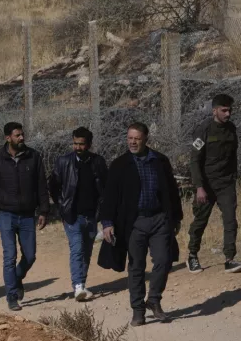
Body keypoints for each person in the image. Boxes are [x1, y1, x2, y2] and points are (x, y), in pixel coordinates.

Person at [100, 123, 183, 326]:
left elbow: (171, 191)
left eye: (136, 138)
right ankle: (138, 310)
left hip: (159, 219)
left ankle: (154, 300)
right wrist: (107, 222)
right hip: (134, 222)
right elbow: (110, 196)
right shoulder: (120, 164)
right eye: (129, 138)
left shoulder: (160, 161)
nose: (132, 142)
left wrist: (176, 217)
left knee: (164, 260)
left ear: (146, 138)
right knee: (136, 266)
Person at [0, 122, 48, 311]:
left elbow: (41, 186)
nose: (22, 138)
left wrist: (43, 211)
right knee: (9, 256)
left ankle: (17, 277)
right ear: (7, 138)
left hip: (27, 215)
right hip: (5, 214)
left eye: (22, 134)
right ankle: (11, 296)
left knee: (30, 256)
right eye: (17, 135)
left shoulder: (33, 157)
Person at [49, 127, 108, 300]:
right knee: (77, 248)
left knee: (87, 251)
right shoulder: (63, 161)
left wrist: (102, 212)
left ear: (88, 144)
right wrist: (62, 207)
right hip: (72, 215)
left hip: (91, 215)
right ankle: (78, 286)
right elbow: (53, 185)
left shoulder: (98, 162)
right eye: (75, 143)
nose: (77, 147)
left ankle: (81, 282)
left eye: (81, 144)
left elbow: (105, 188)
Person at [187, 94, 240, 273]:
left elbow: (233, 155)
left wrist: (234, 178)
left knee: (230, 220)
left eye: (229, 110)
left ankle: (229, 258)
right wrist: (199, 187)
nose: (228, 114)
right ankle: (192, 255)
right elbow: (194, 160)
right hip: (206, 184)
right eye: (224, 110)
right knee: (201, 220)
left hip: (226, 183)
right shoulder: (203, 130)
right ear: (214, 110)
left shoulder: (231, 129)